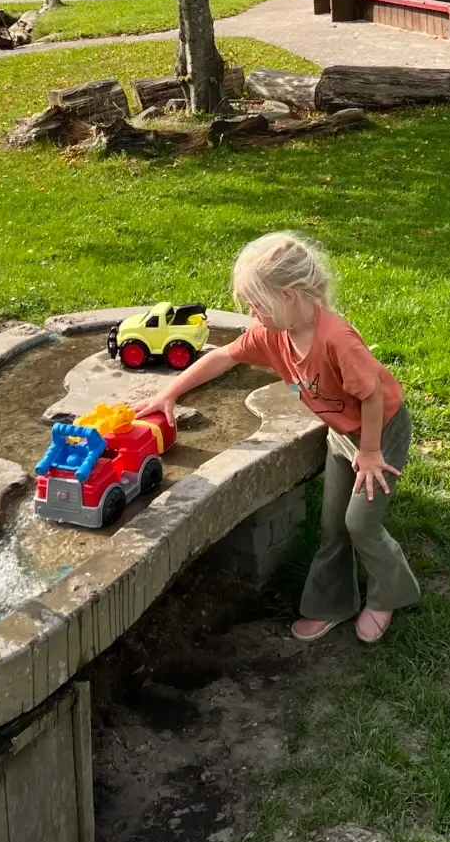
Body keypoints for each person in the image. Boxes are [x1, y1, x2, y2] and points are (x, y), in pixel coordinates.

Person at [133, 232, 420, 644]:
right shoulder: (273, 334)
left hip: (381, 433)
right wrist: (169, 393)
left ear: (288, 296)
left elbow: (372, 395)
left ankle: (388, 594)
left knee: (360, 523)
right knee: (333, 525)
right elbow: (223, 356)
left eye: (257, 304)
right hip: (343, 435)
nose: (252, 314)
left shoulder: (337, 340)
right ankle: (330, 605)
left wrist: (372, 452)